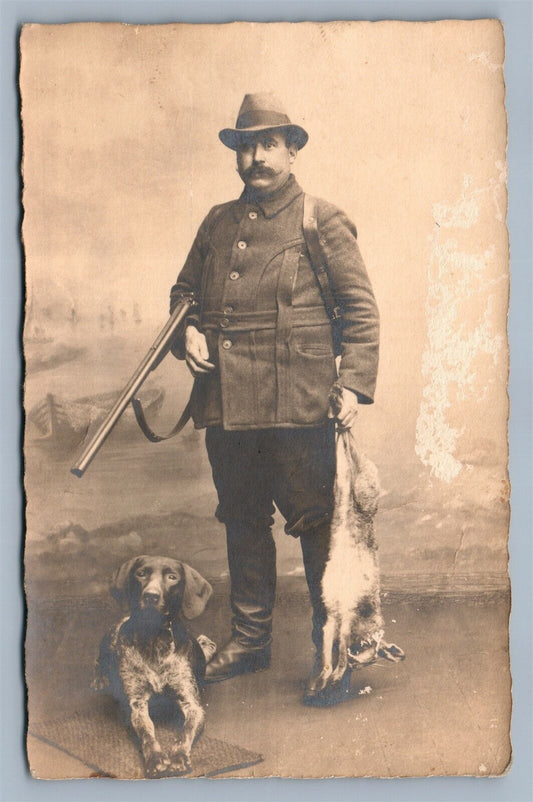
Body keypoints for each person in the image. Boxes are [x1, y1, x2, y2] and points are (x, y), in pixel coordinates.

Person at [170, 93, 379, 697]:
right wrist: (187, 329)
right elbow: (184, 291)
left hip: (298, 400)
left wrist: (356, 385)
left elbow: (361, 311)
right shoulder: (216, 222)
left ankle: (332, 645)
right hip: (227, 403)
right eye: (246, 146)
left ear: (292, 150)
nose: (256, 157)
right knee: (241, 518)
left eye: (268, 145)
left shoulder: (322, 219)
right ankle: (250, 641)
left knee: (315, 524)